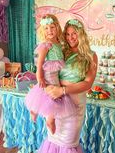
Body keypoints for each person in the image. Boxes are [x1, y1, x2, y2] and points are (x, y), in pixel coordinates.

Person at [38, 19, 98, 153]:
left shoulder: (91, 56)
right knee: (53, 139)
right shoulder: (61, 51)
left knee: (68, 143)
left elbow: (88, 83)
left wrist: (63, 90)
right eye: (67, 34)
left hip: (75, 104)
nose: (70, 37)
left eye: (74, 33)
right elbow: (48, 70)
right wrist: (46, 86)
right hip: (56, 102)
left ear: (81, 34)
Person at [25, 14, 77, 134]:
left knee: (50, 96)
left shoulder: (58, 43)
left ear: (57, 27)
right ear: (43, 30)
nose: (50, 31)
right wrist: (40, 76)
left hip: (55, 75)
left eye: (52, 27)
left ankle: (36, 110)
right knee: (54, 96)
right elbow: (39, 63)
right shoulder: (45, 45)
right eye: (46, 28)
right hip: (47, 75)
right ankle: (50, 120)